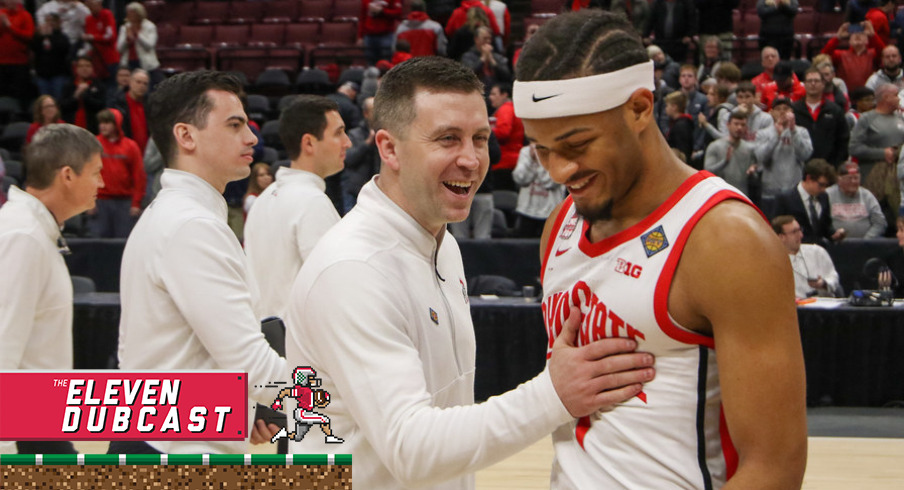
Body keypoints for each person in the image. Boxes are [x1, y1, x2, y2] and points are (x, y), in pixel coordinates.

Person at [285, 56, 657, 488]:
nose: (471, 159)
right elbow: (412, 447)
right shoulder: (354, 269)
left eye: (479, 139)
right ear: (389, 149)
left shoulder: (441, 245)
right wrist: (553, 395)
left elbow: (444, 418)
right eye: (447, 139)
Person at [515, 10, 806, 487]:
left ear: (639, 108)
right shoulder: (561, 224)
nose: (559, 170)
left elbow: (774, 470)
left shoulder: (726, 240)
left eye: (577, 144)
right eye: (542, 149)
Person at [114, 71, 286, 455]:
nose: (252, 138)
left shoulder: (177, 214)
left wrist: (242, 412)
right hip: (173, 451)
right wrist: (331, 400)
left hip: (162, 437)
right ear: (186, 136)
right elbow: (248, 361)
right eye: (234, 125)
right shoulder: (191, 224)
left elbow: (179, 356)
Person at [0, 124, 104, 455]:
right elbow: (3, 342)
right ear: (68, 175)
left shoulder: (33, 230)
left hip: (40, 417)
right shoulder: (23, 236)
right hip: (25, 427)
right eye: (96, 173)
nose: (101, 183)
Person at [244, 95, 349, 320]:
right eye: (338, 133)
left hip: (264, 337)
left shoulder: (263, 199)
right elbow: (332, 288)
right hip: (300, 343)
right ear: (309, 143)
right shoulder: (311, 201)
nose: (347, 142)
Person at [88, 108, 145, 238]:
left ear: (117, 124)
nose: (102, 126)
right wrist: (87, 202)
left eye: (107, 122)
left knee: (122, 244)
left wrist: (136, 203)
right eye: (101, 122)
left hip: (124, 203)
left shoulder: (130, 146)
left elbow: (139, 176)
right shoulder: (93, 144)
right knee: (98, 245)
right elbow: (84, 174)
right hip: (99, 202)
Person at [753, 97, 813, 199]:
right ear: (771, 112)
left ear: (792, 112)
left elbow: (805, 155)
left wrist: (793, 131)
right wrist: (776, 136)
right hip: (770, 192)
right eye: (778, 109)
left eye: (786, 108)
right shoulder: (762, 133)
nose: (782, 112)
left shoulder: (801, 132)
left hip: (795, 191)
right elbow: (761, 157)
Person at [774, 158, 845, 245]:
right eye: (821, 185)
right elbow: (776, 229)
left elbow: (825, 226)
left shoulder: (824, 197)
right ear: (808, 178)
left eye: (826, 186)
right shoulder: (785, 199)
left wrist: (834, 234)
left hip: (818, 250)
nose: (823, 189)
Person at [773, 215, 843, 298]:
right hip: (794, 308)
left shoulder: (817, 252)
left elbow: (833, 277)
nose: (801, 235)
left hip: (822, 306)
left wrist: (823, 283)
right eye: (794, 232)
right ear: (781, 237)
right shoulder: (773, 262)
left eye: (800, 230)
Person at [792, 68, 850, 167]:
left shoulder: (835, 110)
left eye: (816, 81)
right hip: (799, 167)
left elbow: (843, 140)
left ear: (823, 84)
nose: (813, 84)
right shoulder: (794, 110)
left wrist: (835, 165)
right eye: (809, 81)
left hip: (829, 168)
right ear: (804, 84)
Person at [511, 143, 565, 238]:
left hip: (551, 213)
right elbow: (520, 179)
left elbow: (550, 182)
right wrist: (532, 160)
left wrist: (538, 160)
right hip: (526, 211)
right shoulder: (526, 151)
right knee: (524, 249)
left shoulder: (560, 153)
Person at [826, 161, 886, 238]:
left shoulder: (867, 196)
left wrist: (867, 240)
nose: (853, 181)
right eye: (849, 178)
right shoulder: (827, 195)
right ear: (839, 180)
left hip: (865, 245)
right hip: (835, 244)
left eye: (856, 178)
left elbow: (880, 223)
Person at [705, 108, 758, 195]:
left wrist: (752, 173)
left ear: (746, 128)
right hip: (720, 195)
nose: (739, 128)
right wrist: (725, 162)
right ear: (728, 125)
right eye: (736, 124)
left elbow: (752, 178)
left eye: (742, 125)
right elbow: (707, 172)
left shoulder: (749, 149)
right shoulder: (715, 146)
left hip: (741, 195)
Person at [821, 21, 886, 92]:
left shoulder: (872, 54)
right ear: (849, 41)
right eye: (854, 33)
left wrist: (873, 35)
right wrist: (838, 37)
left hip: (868, 96)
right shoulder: (841, 55)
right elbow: (823, 57)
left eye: (862, 33)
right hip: (846, 95)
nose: (857, 35)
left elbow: (885, 54)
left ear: (867, 40)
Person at [342, 96, 380, 212]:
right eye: (374, 110)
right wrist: (367, 143)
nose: (378, 114)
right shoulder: (354, 134)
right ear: (366, 113)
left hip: (379, 192)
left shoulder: (387, 134)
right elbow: (348, 159)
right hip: (355, 192)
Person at [116, 2, 161, 87]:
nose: (130, 16)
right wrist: (127, 39)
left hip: (147, 64)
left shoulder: (149, 26)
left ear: (139, 13)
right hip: (129, 63)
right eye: (129, 13)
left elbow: (150, 45)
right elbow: (119, 48)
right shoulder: (125, 27)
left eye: (132, 13)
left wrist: (137, 35)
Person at [0, 0, 35, 107]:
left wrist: (10, 26)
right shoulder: (1, 14)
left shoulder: (25, 15)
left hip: (20, 63)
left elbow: (29, 36)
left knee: (20, 94)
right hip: (1, 62)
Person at [488, 82, 522, 191]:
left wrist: (485, 132)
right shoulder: (511, 108)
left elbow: (503, 132)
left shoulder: (505, 109)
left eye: (494, 94)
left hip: (504, 162)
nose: (490, 97)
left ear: (504, 95)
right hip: (511, 161)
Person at [60, 55, 105, 134]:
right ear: (76, 69)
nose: (84, 69)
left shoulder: (99, 85)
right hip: (71, 128)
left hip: (93, 127)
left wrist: (85, 95)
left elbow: (101, 106)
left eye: (87, 66)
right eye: (81, 66)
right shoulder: (68, 85)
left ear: (92, 68)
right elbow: (63, 107)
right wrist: (75, 96)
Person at [31, 12, 70, 101]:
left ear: (58, 22)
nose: (50, 23)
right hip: (42, 75)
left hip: (58, 75)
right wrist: (40, 36)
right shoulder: (39, 37)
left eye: (52, 21)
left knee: (58, 100)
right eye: (47, 21)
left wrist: (51, 36)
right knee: (44, 101)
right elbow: (34, 48)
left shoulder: (62, 37)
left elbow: (63, 50)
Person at [112, 68, 150, 153]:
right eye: (138, 82)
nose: (141, 86)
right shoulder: (118, 103)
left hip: (147, 153)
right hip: (125, 151)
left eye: (145, 84)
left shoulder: (151, 105)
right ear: (130, 82)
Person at [82, 0, 117, 83]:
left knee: (111, 85)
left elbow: (111, 36)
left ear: (99, 4)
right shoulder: (88, 19)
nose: (90, 7)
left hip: (110, 59)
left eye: (92, 4)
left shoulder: (106, 14)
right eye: (88, 5)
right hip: (96, 59)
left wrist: (93, 37)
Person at [359, 0, 403, 66]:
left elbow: (398, 13)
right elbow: (363, 17)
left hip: (386, 35)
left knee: (386, 63)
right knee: (370, 63)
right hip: (369, 35)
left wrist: (382, 11)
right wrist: (360, 36)